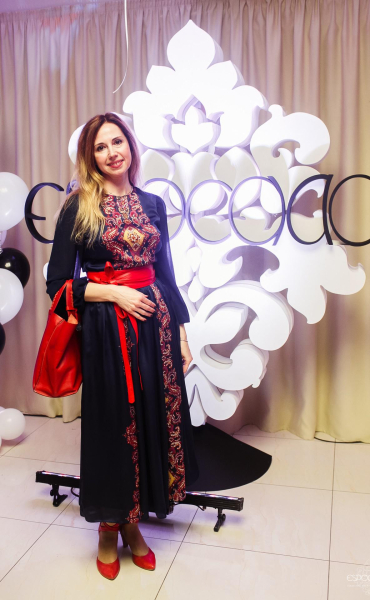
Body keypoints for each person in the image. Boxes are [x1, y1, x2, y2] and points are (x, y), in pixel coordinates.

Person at [46, 112, 199, 580]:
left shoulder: (153, 203)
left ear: (130, 146)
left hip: (156, 330)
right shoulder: (77, 207)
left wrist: (182, 333)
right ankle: (108, 529)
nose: (112, 152)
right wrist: (114, 294)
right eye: (100, 147)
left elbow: (166, 273)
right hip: (106, 333)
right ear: (89, 157)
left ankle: (134, 525)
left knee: (151, 421)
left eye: (118, 142)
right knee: (113, 427)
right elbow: (57, 285)